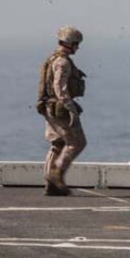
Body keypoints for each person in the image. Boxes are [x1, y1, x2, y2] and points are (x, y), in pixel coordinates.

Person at [37, 26, 87, 197]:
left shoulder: (52, 58)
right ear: (70, 43)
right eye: (76, 44)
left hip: (49, 107)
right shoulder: (63, 62)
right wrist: (71, 109)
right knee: (77, 142)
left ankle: (50, 185)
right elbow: (60, 87)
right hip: (60, 109)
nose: (77, 48)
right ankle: (56, 174)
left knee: (57, 144)